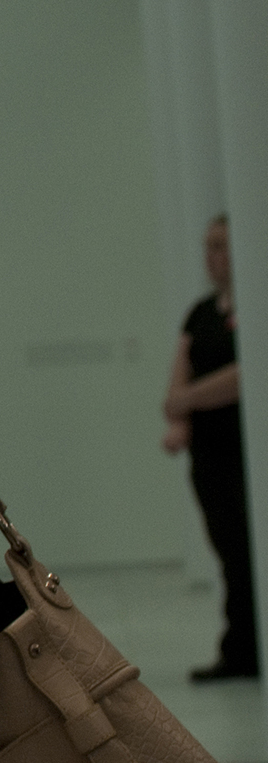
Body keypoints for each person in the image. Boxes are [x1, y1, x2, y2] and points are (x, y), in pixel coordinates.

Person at [162, 215, 254, 681]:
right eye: (208, 246)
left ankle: (246, 648)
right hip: (211, 458)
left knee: (248, 553)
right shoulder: (200, 314)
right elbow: (175, 387)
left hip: (246, 456)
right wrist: (180, 413)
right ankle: (241, 648)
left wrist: (189, 400)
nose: (212, 256)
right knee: (229, 553)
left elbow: (245, 375)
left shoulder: (255, 307)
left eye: (221, 245)